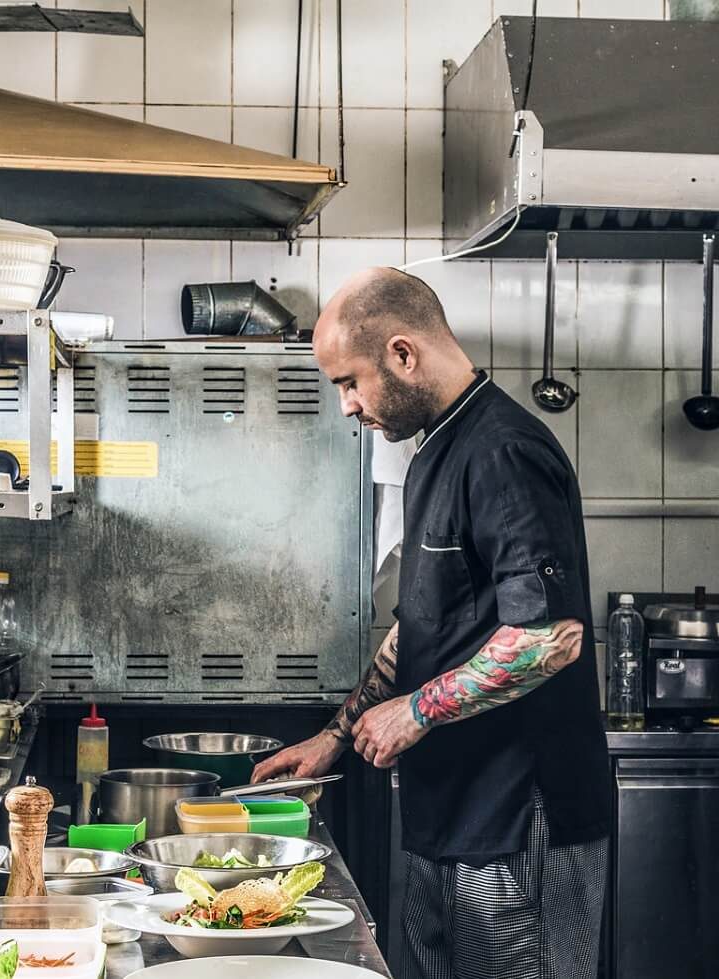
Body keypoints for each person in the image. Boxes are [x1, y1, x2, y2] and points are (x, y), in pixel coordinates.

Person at [252, 267, 614, 979]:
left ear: (402, 353)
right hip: (446, 816)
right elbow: (422, 626)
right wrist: (335, 736)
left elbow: (550, 637)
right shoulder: (431, 456)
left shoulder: (504, 451)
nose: (349, 407)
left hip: (516, 824)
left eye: (349, 381)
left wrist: (412, 712)